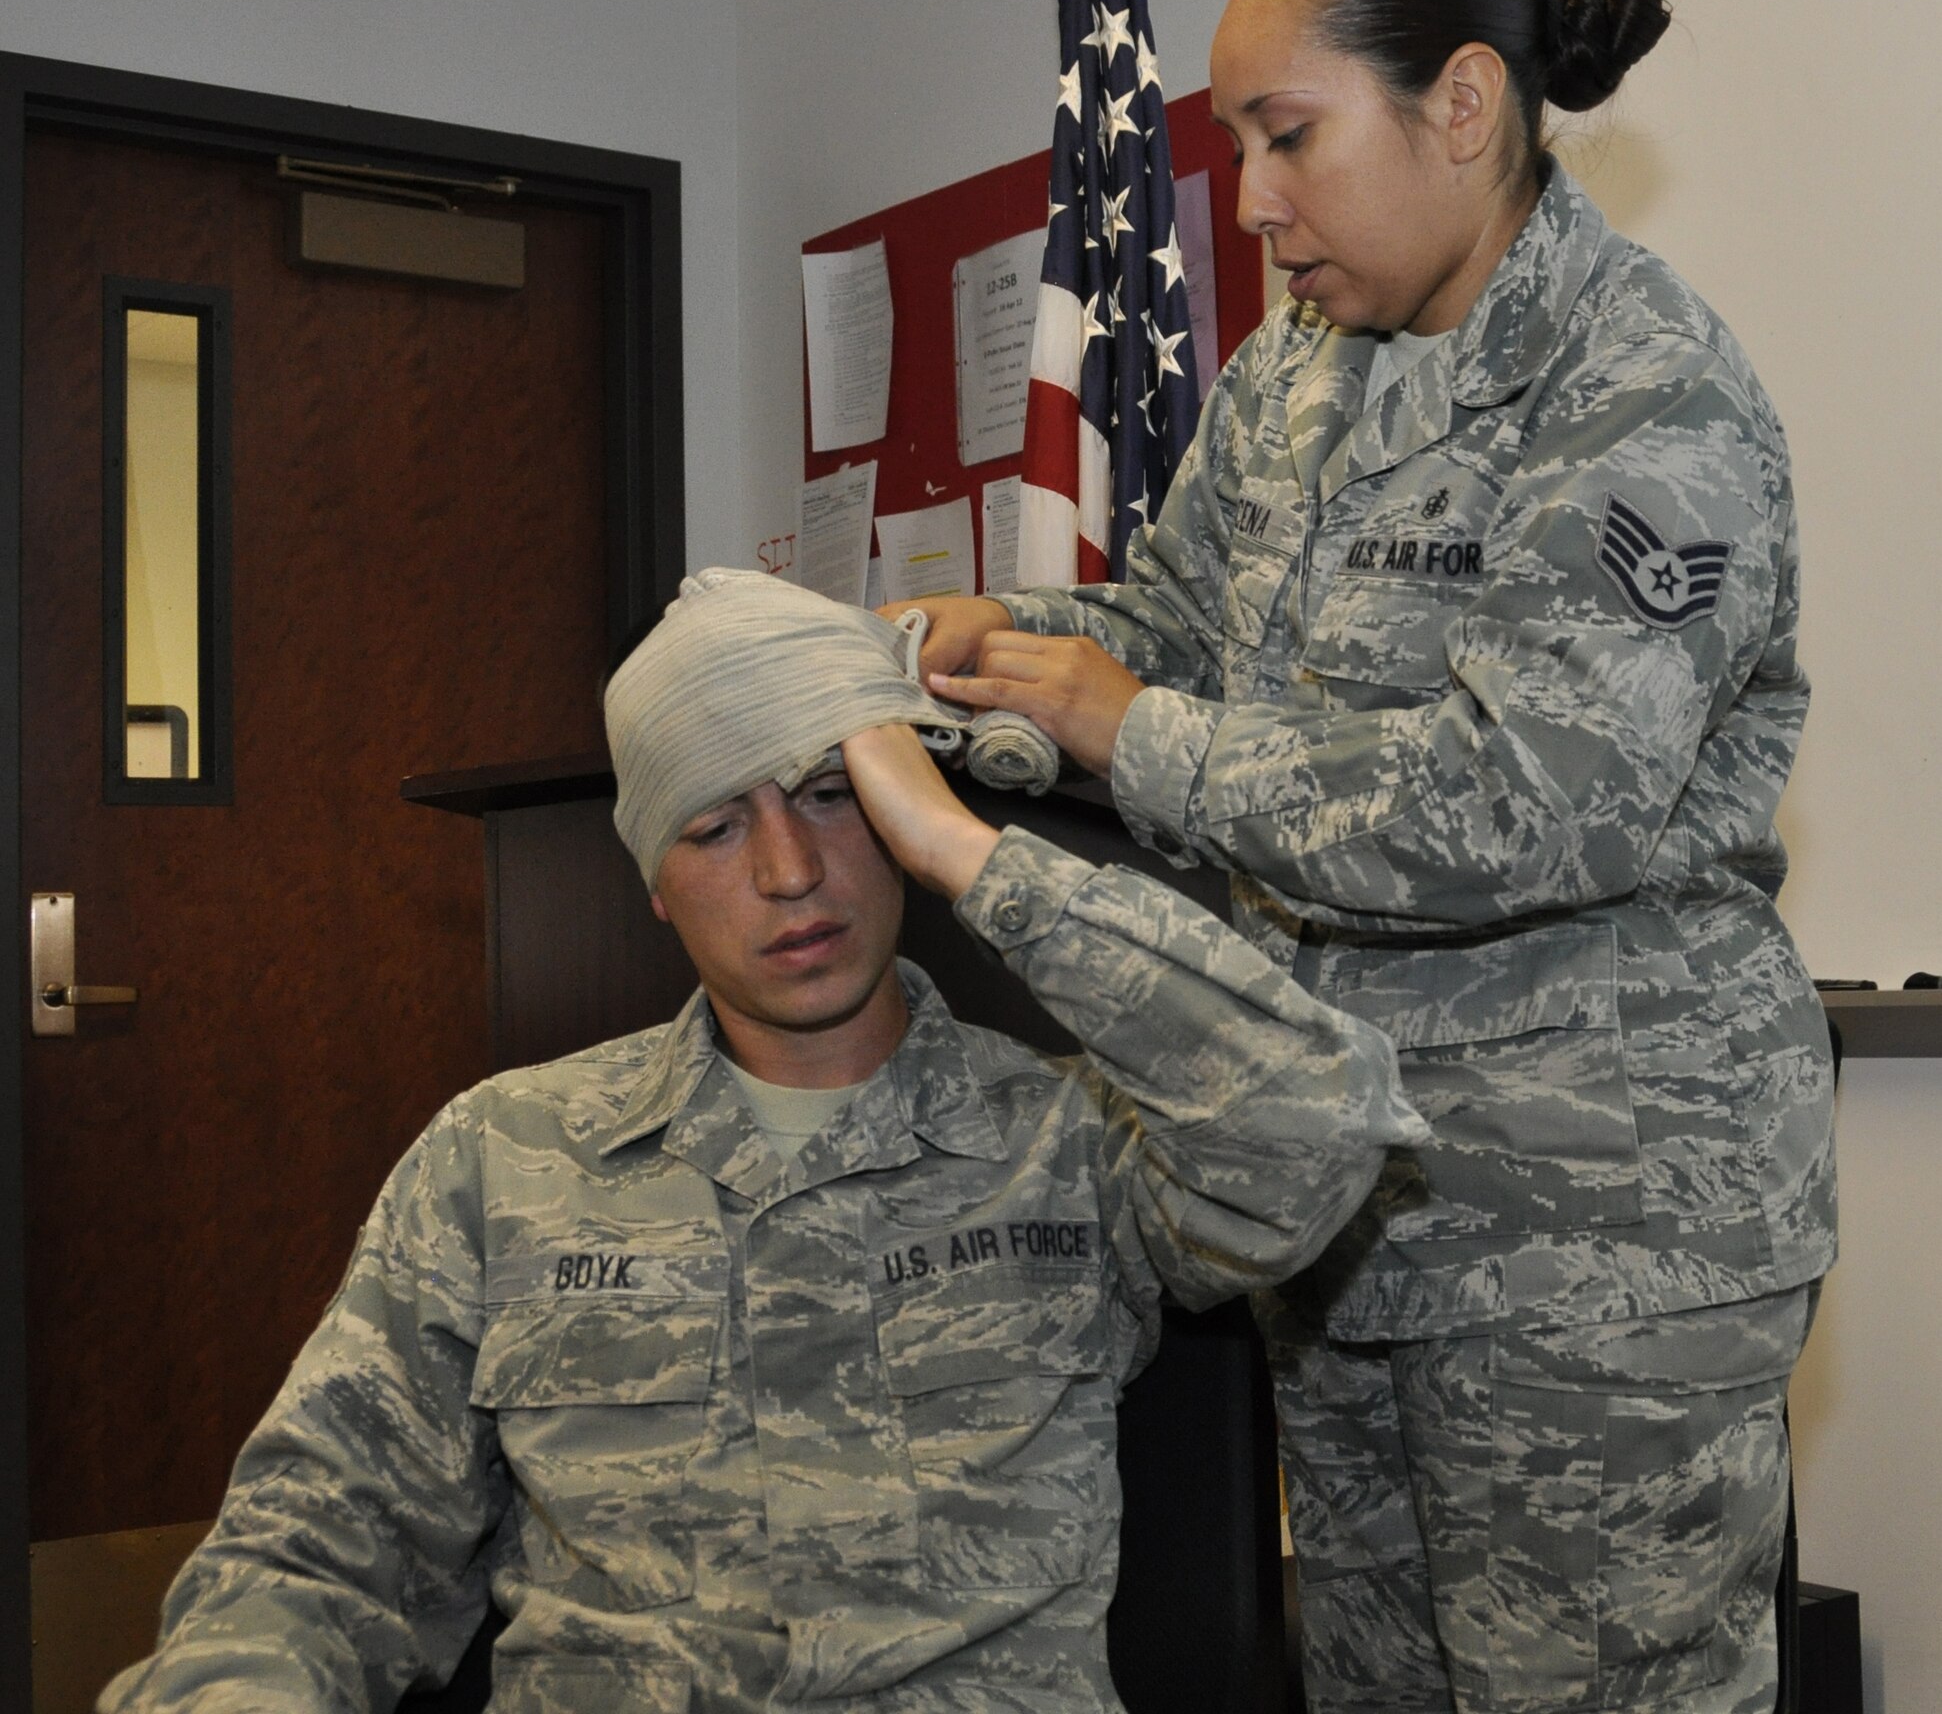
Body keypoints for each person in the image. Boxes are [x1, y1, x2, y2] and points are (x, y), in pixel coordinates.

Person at [909, 0, 1837, 1714]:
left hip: (1595, 1245)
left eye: (1287, 135)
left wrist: (1128, 729)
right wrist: (985, 654)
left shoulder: (1642, 387)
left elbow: (1527, 801)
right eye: (1234, 144)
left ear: (1462, 105)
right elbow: (1167, 635)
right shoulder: (1291, 379)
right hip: (1346, 1214)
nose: (1251, 199)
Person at [103, 570, 1422, 1714]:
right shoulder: (502, 1159)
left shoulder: (1069, 1139)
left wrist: (967, 852)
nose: (790, 872)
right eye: (716, 825)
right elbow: (319, 1550)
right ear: (654, 881)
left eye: (832, 797)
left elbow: (1316, 1129)